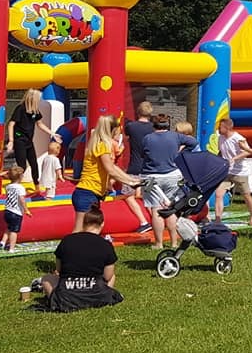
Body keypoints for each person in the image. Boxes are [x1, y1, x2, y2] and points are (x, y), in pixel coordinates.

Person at [37, 204, 123, 313]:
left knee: (46, 279)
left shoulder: (67, 240)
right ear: (102, 224)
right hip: (95, 292)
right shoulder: (106, 245)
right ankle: (102, 298)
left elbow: (59, 270)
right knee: (112, 276)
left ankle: (58, 300)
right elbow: (108, 276)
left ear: (83, 223)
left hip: (67, 294)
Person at [71, 115, 143, 234]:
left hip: (91, 193)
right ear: (114, 129)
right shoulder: (103, 145)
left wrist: (131, 180)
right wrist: (130, 182)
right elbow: (110, 169)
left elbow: (113, 167)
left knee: (89, 229)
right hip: (87, 192)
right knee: (80, 230)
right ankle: (69, 250)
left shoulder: (98, 142)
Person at [140, 114, 197, 249]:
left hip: (152, 176)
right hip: (173, 175)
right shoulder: (175, 136)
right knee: (171, 208)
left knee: (156, 209)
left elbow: (143, 154)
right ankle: (174, 242)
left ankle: (159, 243)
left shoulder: (147, 138)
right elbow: (194, 142)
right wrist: (180, 153)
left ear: (153, 125)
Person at [214, 118, 252, 225]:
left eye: (220, 127)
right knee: (219, 194)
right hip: (226, 172)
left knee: (246, 195)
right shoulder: (221, 138)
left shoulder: (238, 138)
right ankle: (218, 220)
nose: (218, 128)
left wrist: (235, 158)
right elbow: (221, 152)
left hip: (240, 172)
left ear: (227, 127)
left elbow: (247, 152)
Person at [6, 88, 59, 186]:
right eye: (38, 99)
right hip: (19, 139)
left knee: (34, 164)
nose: (39, 101)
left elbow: (40, 124)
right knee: (22, 166)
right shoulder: (20, 109)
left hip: (29, 141)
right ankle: (14, 184)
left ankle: (36, 185)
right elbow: (11, 124)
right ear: (32, 99)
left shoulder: (35, 111)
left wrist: (52, 133)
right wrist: (11, 141)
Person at [120, 102, 156, 233]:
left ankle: (143, 221)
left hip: (134, 167)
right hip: (149, 168)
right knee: (150, 197)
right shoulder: (153, 128)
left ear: (138, 112)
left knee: (128, 195)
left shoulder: (131, 126)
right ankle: (157, 220)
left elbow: (125, 132)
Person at [1, 167, 32, 252]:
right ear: (20, 177)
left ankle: (2, 242)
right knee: (14, 231)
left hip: (7, 211)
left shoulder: (8, 186)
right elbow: (21, 199)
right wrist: (26, 210)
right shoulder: (20, 188)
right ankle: (11, 248)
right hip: (16, 212)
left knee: (9, 227)